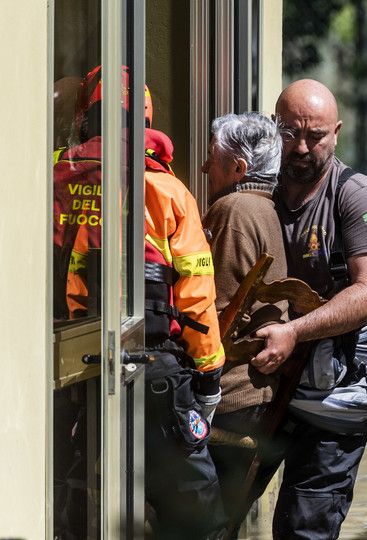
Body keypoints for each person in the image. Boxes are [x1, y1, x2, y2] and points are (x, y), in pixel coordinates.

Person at [58, 65, 227, 538]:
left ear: (87, 120)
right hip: (157, 374)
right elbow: (196, 295)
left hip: (78, 372)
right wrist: (210, 376)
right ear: (148, 120)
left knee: (81, 511)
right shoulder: (170, 190)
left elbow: (65, 283)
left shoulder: (65, 183)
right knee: (198, 519)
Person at [249, 79, 367, 538]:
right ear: (273, 128)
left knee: (303, 527)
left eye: (314, 136)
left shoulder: (358, 195)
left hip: (338, 389)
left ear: (336, 133)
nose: (300, 147)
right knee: (216, 506)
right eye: (289, 132)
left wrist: (296, 332)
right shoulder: (258, 191)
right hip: (268, 379)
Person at [200, 112, 290, 527]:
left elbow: (207, 314)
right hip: (255, 400)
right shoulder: (265, 208)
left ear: (238, 168)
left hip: (230, 399)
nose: (203, 167)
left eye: (211, 158)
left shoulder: (233, 209)